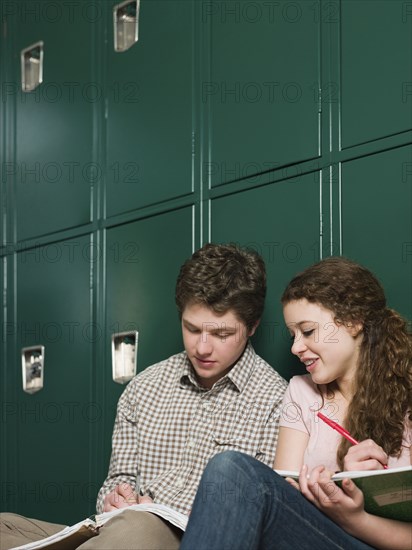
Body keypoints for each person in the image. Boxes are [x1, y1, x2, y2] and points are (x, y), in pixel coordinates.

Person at [0, 243, 287, 550]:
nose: (202, 348)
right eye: (191, 329)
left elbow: (264, 515)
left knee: (138, 528)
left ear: (252, 326)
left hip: (189, 540)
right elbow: (115, 481)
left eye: (221, 334)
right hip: (117, 533)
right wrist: (115, 499)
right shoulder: (144, 388)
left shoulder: (276, 401)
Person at [181, 256, 412, 550]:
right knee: (231, 469)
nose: (295, 347)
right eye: (293, 335)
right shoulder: (300, 392)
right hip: (318, 538)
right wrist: (343, 479)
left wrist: (356, 518)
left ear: (353, 321)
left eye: (308, 331)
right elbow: (282, 498)